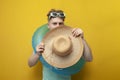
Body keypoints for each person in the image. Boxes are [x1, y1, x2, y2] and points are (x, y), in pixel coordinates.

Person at [28, 9, 93, 80]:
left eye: (60, 23)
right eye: (54, 23)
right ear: (48, 25)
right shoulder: (43, 42)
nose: (58, 26)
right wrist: (37, 54)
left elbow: (89, 58)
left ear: (63, 24)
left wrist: (82, 39)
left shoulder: (71, 41)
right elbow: (30, 64)